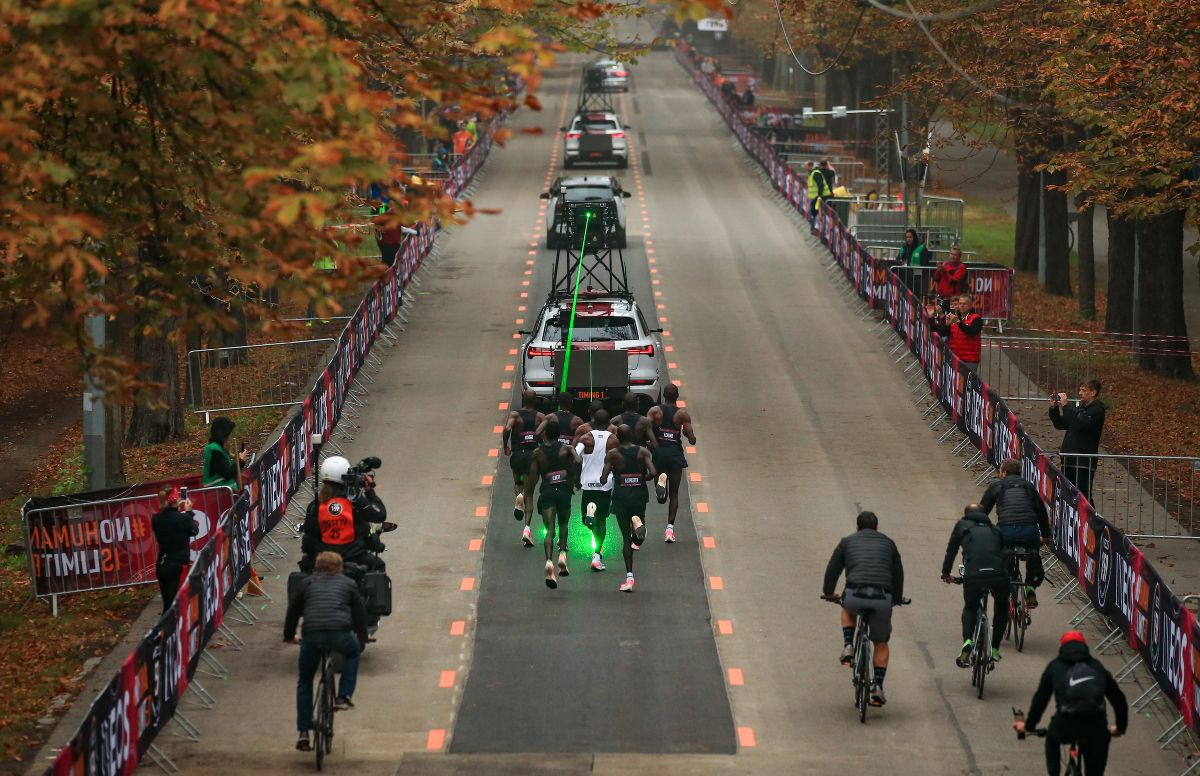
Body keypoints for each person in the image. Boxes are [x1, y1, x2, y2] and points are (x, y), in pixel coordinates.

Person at [284, 551, 368, 752]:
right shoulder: (348, 584)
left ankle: (304, 732)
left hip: (312, 635)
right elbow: (359, 615)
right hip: (340, 633)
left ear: (316, 568)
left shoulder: (306, 584)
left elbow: (293, 611)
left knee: (305, 680)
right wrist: (362, 637)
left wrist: (289, 635)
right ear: (340, 568)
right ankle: (343, 695)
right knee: (353, 653)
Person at [821, 511, 905, 707]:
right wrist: (897, 598)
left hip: (854, 595)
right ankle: (877, 685)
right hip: (882, 598)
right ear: (877, 527)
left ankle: (848, 644)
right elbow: (898, 574)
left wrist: (828, 592)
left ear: (857, 526)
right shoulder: (888, 543)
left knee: (847, 607)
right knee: (881, 642)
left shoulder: (847, 542)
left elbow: (833, 570)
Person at [1014, 630, 1126, 776]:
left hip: (1065, 725)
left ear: (1062, 647)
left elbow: (1040, 700)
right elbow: (1119, 700)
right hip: (1095, 727)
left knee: (1052, 741)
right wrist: (1120, 727)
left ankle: (1054, 772)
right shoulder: (1097, 667)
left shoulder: (1054, 667)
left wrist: (1028, 726)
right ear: (1084, 647)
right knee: (1096, 767)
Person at [941, 504, 1010, 667]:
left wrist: (946, 572)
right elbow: (1005, 552)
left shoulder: (961, 526)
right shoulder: (995, 530)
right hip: (997, 574)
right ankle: (994, 648)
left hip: (974, 574)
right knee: (1002, 604)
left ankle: (967, 642)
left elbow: (951, 550)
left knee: (970, 607)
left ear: (966, 516)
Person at [981, 458, 1051, 608]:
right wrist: (1045, 535)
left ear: (1004, 472)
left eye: (1000, 471)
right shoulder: (1029, 487)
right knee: (1033, 553)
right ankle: (1030, 588)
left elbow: (982, 511)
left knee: (1002, 552)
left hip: (1006, 530)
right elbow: (1042, 513)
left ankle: (1006, 583)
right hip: (1029, 530)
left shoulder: (997, 485)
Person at [301, 456, 384, 571]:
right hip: (355, 559)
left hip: (324, 561)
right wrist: (370, 493)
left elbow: (309, 537)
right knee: (379, 565)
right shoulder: (355, 503)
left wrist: (308, 554)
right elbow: (376, 520)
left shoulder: (316, 506)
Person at [525, 419, 581, 588]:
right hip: (564, 491)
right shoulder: (566, 448)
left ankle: (549, 561)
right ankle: (562, 554)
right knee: (563, 524)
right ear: (558, 435)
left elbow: (533, 477)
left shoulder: (537, 453)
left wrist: (529, 492)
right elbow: (578, 461)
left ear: (545, 434)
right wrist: (575, 479)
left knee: (549, 530)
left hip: (547, 492)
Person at [601, 424, 654, 592]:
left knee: (626, 538)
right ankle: (638, 529)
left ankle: (629, 577)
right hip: (638, 494)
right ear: (632, 436)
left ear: (618, 437)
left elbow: (603, 478)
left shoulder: (613, 454)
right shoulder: (642, 452)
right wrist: (641, 477)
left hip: (621, 497)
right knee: (638, 532)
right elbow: (652, 472)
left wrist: (611, 475)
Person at [647, 384, 696, 543]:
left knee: (661, 498)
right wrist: (685, 433)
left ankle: (661, 482)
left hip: (659, 453)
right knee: (674, 494)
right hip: (675, 453)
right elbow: (692, 439)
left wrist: (653, 440)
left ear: (664, 396)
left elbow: (645, 426)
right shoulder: (682, 414)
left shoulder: (655, 411)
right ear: (677, 396)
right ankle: (669, 530)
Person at [576, 408, 618, 571]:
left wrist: (576, 476)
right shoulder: (613, 439)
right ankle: (596, 556)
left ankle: (589, 514)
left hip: (588, 484)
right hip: (605, 484)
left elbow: (574, 454)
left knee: (585, 519)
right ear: (608, 424)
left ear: (592, 421)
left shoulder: (585, 437)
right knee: (602, 521)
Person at [1050, 380, 1105, 501]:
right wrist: (1054, 408)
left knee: (1083, 497)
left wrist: (1066, 406)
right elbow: (1061, 424)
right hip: (1069, 458)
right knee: (1068, 494)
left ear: (1093, 393)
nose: (1080, 393)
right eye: (1080, 390)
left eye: (1084, 390)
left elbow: (1079, 424)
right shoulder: (1079, 407)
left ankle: (1089, 520)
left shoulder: (1097, 411)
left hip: (1083, 461)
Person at [503, 390, 545, 545]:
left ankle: (517, 497)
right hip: (532, 456)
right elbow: (544, 436)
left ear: (522, 399)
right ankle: (527, 529)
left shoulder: (515, 415)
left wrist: (505, 446)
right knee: (530, 495)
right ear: (535, 401)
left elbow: (507, 429)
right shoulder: (540, 417)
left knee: (518, 483)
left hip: (517, 455)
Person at [152, 488, 198, 613]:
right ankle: (169, 630)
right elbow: (194, 530)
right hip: (178, 566)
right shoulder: (183, 519)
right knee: (177, 605)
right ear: (176, 501)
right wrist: (189, 512)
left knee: (167, 603)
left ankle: (165, 628)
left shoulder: (155, 519)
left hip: (162, 564)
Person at [935, 294, 983, 374]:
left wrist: (958, 322)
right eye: (960, 303)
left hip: (969, 360)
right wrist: (946, 325)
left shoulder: (976, 318)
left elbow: (972, 332)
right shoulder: (953, 317)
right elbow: (941, 333)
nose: (962, 306)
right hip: (954, 358)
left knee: (966, 385)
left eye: (964, 304)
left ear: (971, 305)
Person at [203, 416, 249, 489]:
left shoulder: (215, 446)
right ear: (223, 434)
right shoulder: (215, 450)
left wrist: (231, 455)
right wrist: (241, 462)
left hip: (222, 493)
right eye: (228, 434)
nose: (228, 437)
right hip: (219, 494)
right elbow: (227, 473)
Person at [807, 161, 830, 229]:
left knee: (816, 211)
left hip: (821, 196)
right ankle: (814, 227)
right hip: (817, 196)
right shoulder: (813, 173)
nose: (806, 168)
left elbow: (821, 185)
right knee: (814, 211)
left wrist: (819, 196)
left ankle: (816, 228)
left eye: (807, 167)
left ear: (810, 166)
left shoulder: (816, 173)